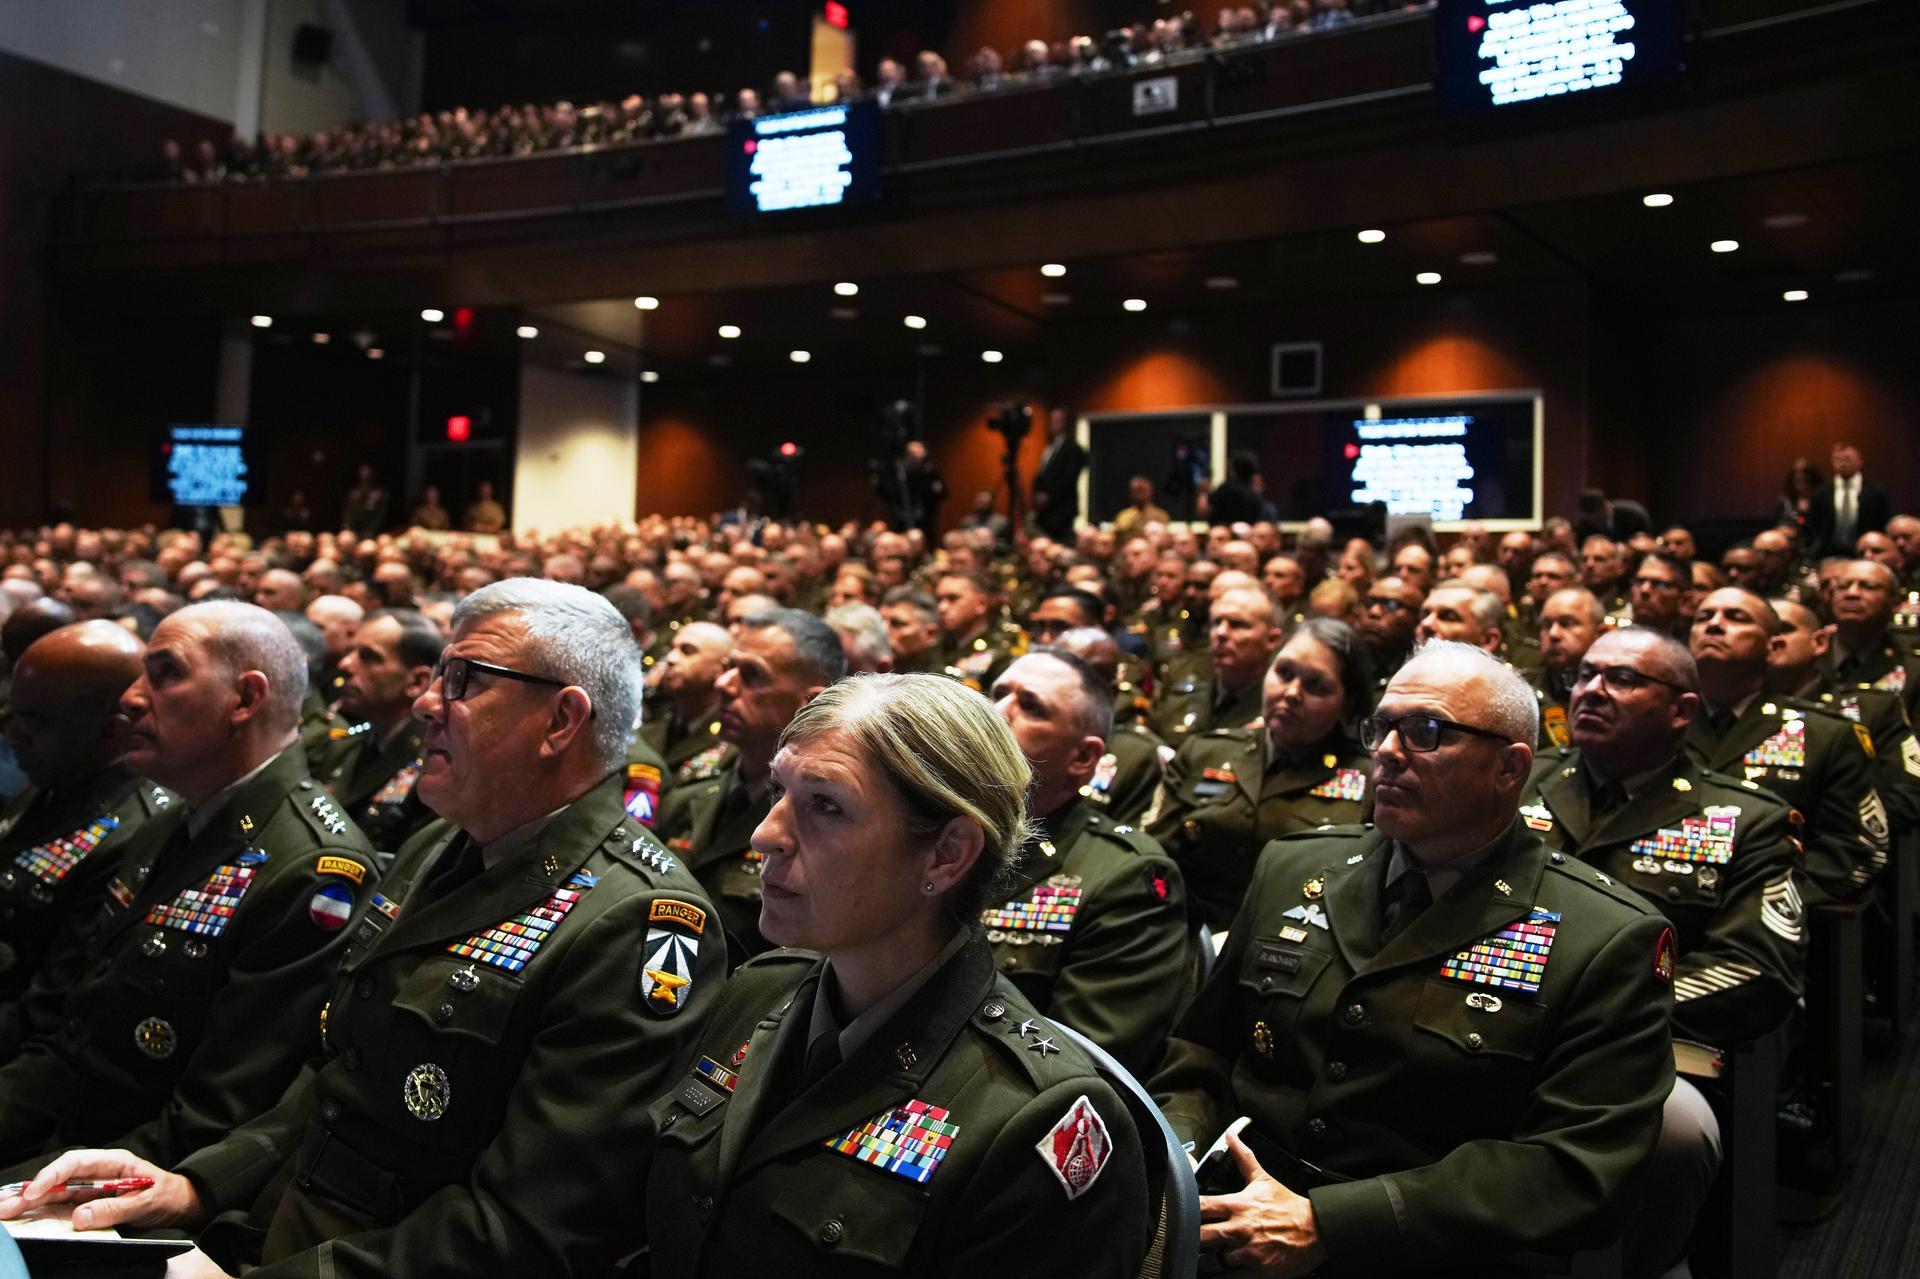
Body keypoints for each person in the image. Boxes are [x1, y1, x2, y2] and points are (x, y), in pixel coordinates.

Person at [3, 580, 729, 1277]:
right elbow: (339, 1078)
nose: (424, 704)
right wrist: (194, 1184)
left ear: (562, 721)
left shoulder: (639, 921)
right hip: (271, 1224)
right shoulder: (437, 847)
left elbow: (520, 1231)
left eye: (464, 680)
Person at [1151, 641, 1674, 1274]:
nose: (1388, 753)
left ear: (1509, 769)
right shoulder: (1294, 867)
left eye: (1426, 732)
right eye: (1383, 727)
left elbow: (1574, 1168)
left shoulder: (1604, 936)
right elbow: (1203, 1052)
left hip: (1423, 1251)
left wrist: (1332, 1225)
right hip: (1233, 1221)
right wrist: (1178, 1158)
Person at [642, 673, 1154, 1277]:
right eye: (780, 791)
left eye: (825, 805)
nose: (766, 834)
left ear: (946, 853)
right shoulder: (759, 987)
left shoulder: (1031, 1114)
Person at [0, 602, 378, 1174]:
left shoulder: (313, 869)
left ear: (245, 701)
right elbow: (67, 1042)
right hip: (67, 1136)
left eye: (165, 673)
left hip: (144, 1183)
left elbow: (211, 1122)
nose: (130, 698)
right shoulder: (169, 826)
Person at [1521, 627, 1803, 1275]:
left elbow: (1756, 970)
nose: (1591, 689)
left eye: (1621, 678)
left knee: (1675, 1134)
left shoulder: (1744, 818)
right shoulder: (1518, 780)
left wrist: (1603, 1011)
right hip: (1490, 1004)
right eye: (1585, 675)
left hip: (1649, 1038)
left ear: (1682, 709)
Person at [984, 651, 1188, 1073]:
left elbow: (1082, 1067)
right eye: (998, 694)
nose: (995, 713)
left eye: (1031, 707)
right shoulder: (928, 833)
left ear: (1082, 759)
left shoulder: (1123, 877)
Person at [1146, 618, 1375, 931]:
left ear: (1347, 705)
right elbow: (1156, 859)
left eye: (1315, 685)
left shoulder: (1368, 781)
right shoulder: (1204, 751)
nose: (1292, 692)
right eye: (1284, 673)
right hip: (1185, 931)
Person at [0, 623, 172, 1018]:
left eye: (35, 723)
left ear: (111, 732)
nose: (13, 736)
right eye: (13, 714)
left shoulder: (136, 834)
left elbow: (47, 1013)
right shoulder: (60, 772)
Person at [654, 609, 846, 955]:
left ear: (810, 703)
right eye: (729, 666)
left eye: (751, 674)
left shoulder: (827, 825)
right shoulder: (690, 792)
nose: (723, 685)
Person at [1687, 587, 1886, 903]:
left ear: (1774, 647)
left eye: (1736, 618)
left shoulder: (1825, 734)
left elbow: (1854, 849)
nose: (1714, 624)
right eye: (1703, 617)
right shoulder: (1655, 724)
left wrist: (1761, 896)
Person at [313, 609, 446, 852]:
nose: (346, 664)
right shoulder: (343, 745)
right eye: (351, 652)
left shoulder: (435, 762)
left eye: (368, 657)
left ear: (416, 681)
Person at [1149, 586, 1281, 743]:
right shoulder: (1182, 697)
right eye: (1217, 622)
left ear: (1272, 639)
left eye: (1237, 624)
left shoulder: (1280, 714)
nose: (1221, 632)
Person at [1824, 559, 1920, 716]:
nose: (1852, 593)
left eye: (1868, 587)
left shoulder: (1913, 669)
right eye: (1842, 587)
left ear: (1895, 603)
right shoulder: (1807, 654)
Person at [641, 621, 735, 781]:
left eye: (688, 651)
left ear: (722, 670)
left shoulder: (732, 742)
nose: (670, 658)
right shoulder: (650, 728)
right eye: (672, 648)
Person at [1528, 586, 1605, 747]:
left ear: (1599, 633)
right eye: (1546, 625)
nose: (1553, 634)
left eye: (1567, 624)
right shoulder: (1522, 688)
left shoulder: (1617, 692)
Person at [1807, 442, 1891, 556]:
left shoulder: (1876, 493)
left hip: (1866, 555)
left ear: (1859, 461)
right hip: (1827, 555)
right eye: (1838, 460)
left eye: (1847, 459)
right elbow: (1813, 526)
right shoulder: (1821, 494)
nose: (1842, 464)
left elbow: (1884, 524)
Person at [1030, 409, 1086, 541]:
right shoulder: (1049, 448)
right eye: (1052, 421)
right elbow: (1040, 475)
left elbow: (1068, 478)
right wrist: (1036, 495)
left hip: (1062, 511)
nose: (1054, 425)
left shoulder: (1073, 448)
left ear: (1066, 423)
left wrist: (1048, 497)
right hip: (1044, 512)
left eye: (1058, 421)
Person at [1209, 450, 1264, 526]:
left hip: (1225, 531)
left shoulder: (1225, 489)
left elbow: (1211, 510)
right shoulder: (1253, 494)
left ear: (1234, 469)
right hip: (1246, 534)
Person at [341, 464, 390, 538]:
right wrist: (347, 528)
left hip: (373, 532)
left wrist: (371, 531)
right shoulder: (354, 492)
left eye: (367, 472)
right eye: (363, 472)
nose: (365, 474)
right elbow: (348, 512)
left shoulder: (381, 493)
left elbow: (381, 515)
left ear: (372, 474)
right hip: (354, 531)